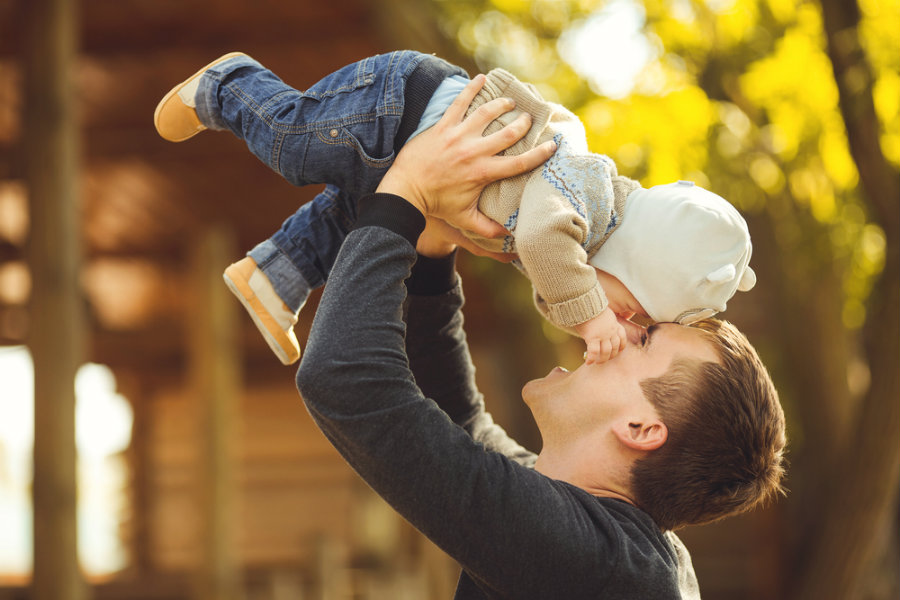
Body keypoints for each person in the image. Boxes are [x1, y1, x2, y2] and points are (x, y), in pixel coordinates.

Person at [291, 76, 786, 599]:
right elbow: (458, 422)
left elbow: (344, 381)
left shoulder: (601, 566)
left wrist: (406, 194)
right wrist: (433, 246)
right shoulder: (610, 551)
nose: (620, 321)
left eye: (644, 340)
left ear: (642, 428)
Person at [154, 50, 757, 366]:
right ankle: (228, 85)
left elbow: (552, 288)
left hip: (414, 162)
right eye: (631, 310)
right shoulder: (588, 195)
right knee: (296, 148)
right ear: (636, 263)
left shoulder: (591, 247)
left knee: (353, 217)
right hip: (404, 106)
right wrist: (594, 318)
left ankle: (273, 276)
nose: (618, 320)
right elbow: (546, 240)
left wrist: (585, 316)